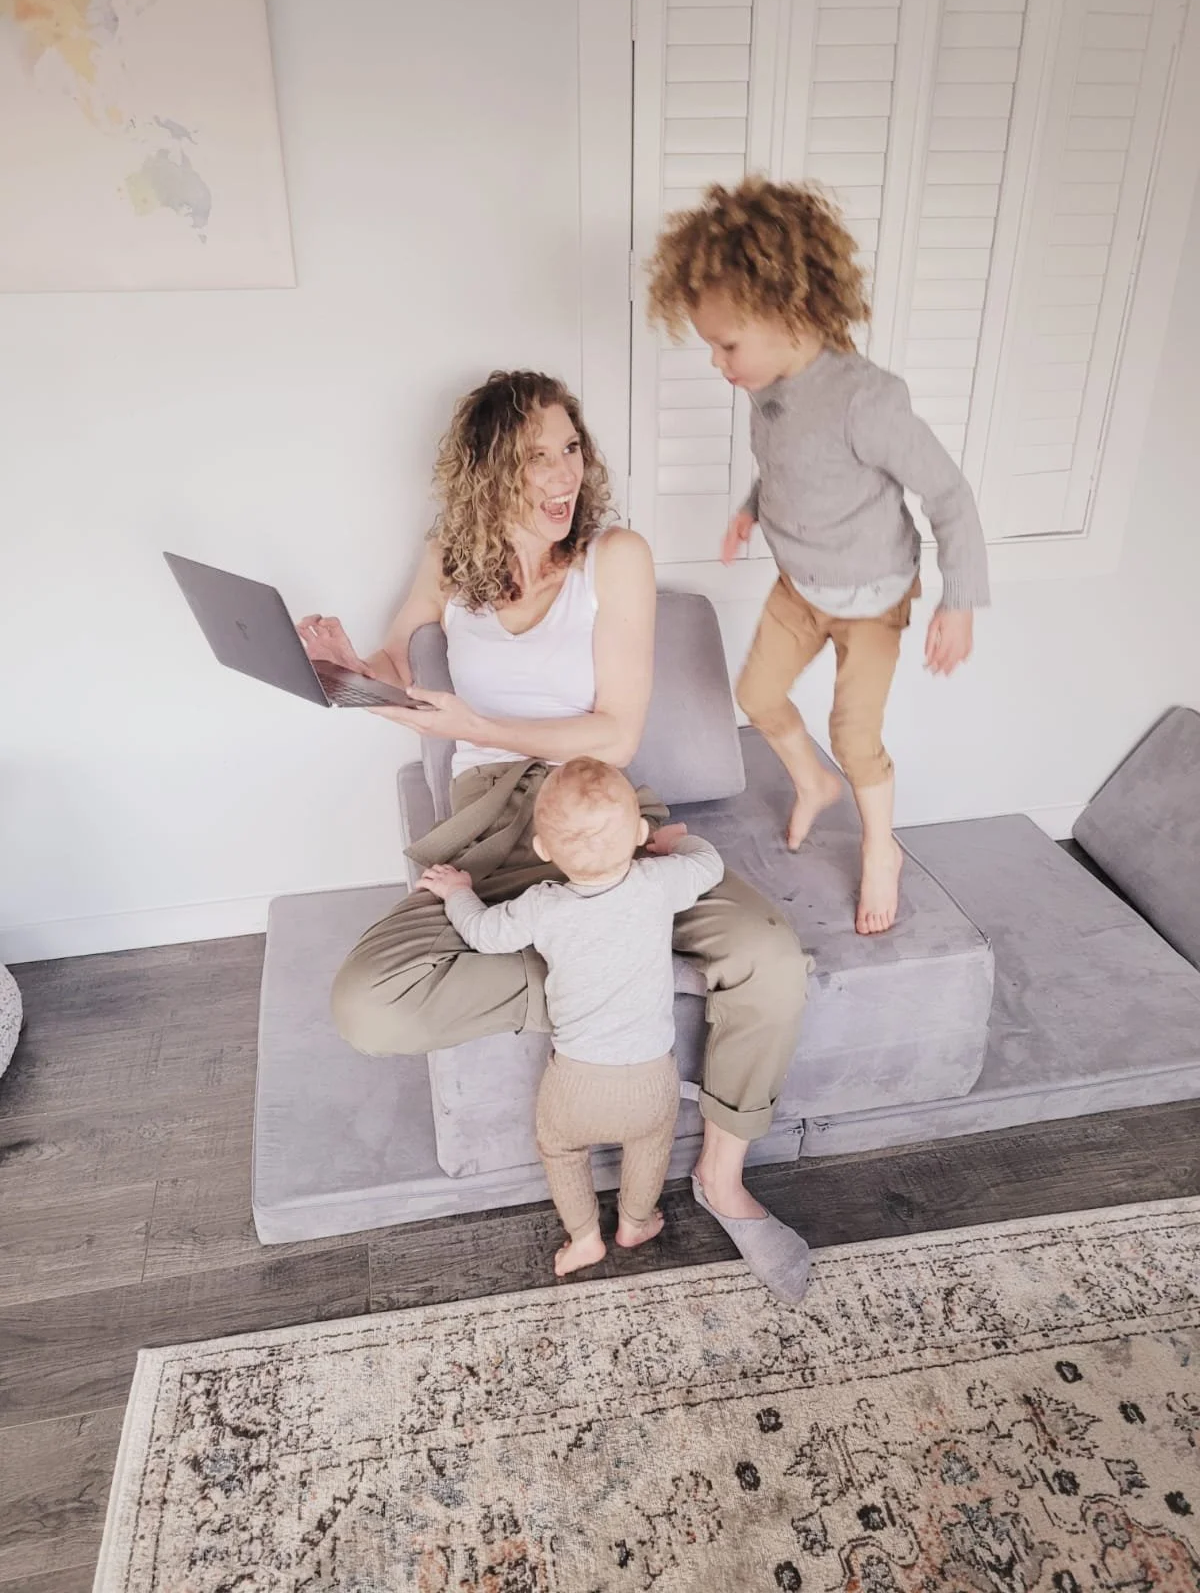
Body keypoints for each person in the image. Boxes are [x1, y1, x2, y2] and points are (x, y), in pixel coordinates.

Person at [297, 368, 812, 1302]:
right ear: (488, 468)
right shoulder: (451, 553)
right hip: (494, 818)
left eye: (570, 447)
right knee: (366, 1005)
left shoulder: (615, 556)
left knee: (770, 957)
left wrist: (475, 725)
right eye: (535, 455)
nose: (562, 472)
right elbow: (391, 656)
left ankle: (723, 1178)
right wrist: (342, 667)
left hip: (601, 804)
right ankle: (604, 978)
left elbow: (615, 731)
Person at [647, 177, 990, 935]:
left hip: (873, 600)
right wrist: (748, 513)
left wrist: (959, 600)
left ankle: (880, 846)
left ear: (788, 312)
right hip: (800, 588)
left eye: (726, 344)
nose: (717, 363)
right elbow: (785, 464)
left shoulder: (865, 400)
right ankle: (812, 785)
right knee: (758, 695)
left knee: (852, 735)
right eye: (710, 345)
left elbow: (951, 497)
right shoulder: (765, 384)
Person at [418, 757, 726, 1280]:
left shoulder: (544, 905)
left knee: (560, 1150)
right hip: (652, 1076)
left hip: (576, 1079)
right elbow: (710, 864)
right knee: (651, 1145)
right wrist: (677, 844)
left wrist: (457, 892)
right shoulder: (659, 883)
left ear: (542, 849)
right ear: (639, 832)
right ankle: (635, 1222)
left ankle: (585, 1238)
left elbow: (485, 934)